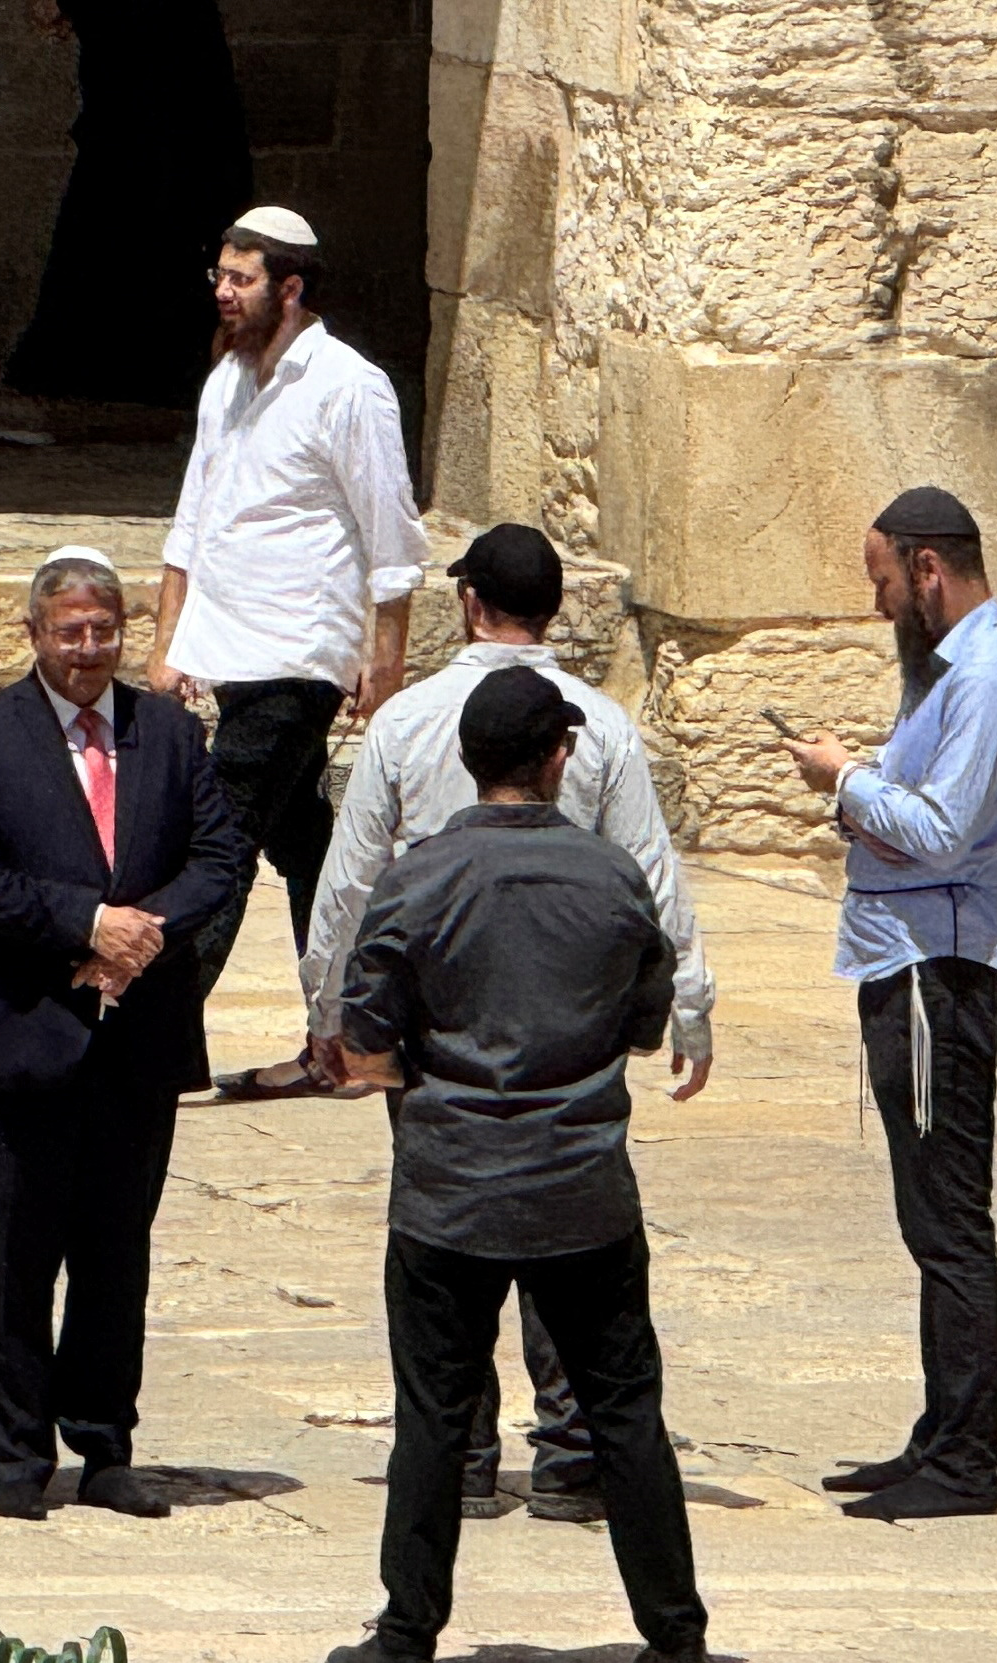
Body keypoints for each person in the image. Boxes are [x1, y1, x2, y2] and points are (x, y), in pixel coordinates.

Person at [285, 524, 719, 1523]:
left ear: (471, 602)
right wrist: (686, 1011)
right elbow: (651, 877)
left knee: (443, 1222)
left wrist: (331, 1016)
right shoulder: (601, 727)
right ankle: (570, 1452)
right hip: (567, 1013)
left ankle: (460, 1448)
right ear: (554, 609)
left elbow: (350, 884)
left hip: (436, 1019)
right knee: (570, 1223)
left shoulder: (404, 725)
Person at [321, 668, 711, 1663]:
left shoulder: (417, 878)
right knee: (625, 1411)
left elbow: (368, 1032)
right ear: (557, 758)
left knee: (435, 1420)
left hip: (451, 1184)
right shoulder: (613, 876)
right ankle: (675, 1642)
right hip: (581, 1180)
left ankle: (407, 1637)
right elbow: (642, 1015)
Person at [0, 548, 247, 1522]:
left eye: (104, 632)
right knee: (20, 1252)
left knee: (117, 1252)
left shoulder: (171, 736)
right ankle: (18, 1458)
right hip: (22, 1036)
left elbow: (221, 854)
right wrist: (84, 924)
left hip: (134, 1041)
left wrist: (139, 935)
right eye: (69, 633)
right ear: (34, 635)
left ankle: (105, 1444)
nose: (87, 650)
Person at [780, 486, 997, 1523]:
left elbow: (940, 833)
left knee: (950, 1223)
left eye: (884, 580)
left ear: (928, 569)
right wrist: (864, 785)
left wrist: (847, 780)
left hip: (945, 974)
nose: (883, 601)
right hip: (908, 962)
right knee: (927, 1217)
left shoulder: (986, 675)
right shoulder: (953, 674)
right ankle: (941, 1434)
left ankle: (966, 1461)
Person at [151, 208, 428, 1002]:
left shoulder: (349, 387)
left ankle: (163, 1033)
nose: (225, 294)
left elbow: (391, 533)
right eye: (221, 278)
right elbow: (194, 520)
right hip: (228, 647)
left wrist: (387, 659)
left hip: (299, 652)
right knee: (305, 842)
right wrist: (170, 643)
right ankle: (347, 1015)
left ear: (291, 288)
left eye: (243, 280)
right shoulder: (227, 381)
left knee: (223, 836)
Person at [7, 0, 254, 407]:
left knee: (125, 243)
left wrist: (69, 0)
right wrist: (84, 9)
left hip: (161, 124)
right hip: (135, 119)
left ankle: (127, 384)